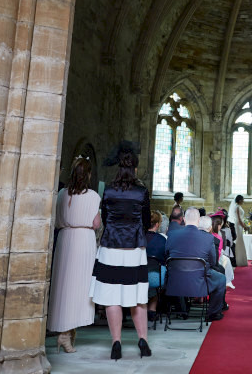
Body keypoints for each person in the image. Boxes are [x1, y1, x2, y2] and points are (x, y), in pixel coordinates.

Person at [90, 141, 152, 361]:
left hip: (111, 247)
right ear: (134, 169)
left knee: (112, 296)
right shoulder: (142, 191)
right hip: (134, 248)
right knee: (137, 296)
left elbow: (106, 219)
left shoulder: (108, 191)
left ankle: (116, 343)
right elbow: (146, 220)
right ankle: (142, 340)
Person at [48, 157, 101, 353]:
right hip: (83, 240)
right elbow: (96, 224)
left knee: (63, 286)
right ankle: (65, 334)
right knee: (78, 287)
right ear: (88, 175)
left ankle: (67, 332)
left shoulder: (61, 194)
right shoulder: (93, 196)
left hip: (65, 239)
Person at [165, 207, 228, 321]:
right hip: (199, 280)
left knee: (176, 272)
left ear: (184, 219)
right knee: (221, 279)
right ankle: (213, 313)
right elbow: (213, 262)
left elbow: (166, 255)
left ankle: (182, 310)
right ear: (199, 220)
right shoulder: (208, 238)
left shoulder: (172, 235)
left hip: (175, 279)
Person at [145, 211, 167, 324]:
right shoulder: (162, 240)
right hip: (156, 278)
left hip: (138, 276)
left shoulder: (139, 237)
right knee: (160, 271)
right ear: (157, 224)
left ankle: (141, 309)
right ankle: (152, 310)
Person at [210, 212, 236, 289]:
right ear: (218, 226)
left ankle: (227, 281)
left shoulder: (207, 234)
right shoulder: (218, 237)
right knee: (225, 261)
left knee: (226, 260)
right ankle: (226, 282)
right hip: (214, 261)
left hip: (207, 260)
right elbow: (218, 253)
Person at [227, 195, 249, 267]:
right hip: (238, 225)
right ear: (239, 200)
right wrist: (244, 226)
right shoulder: (237, 207)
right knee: (239, 241)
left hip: (239, 225)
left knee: (240, 241)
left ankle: (240, 259)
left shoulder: (238, 206)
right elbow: (239, 219)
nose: (243, 201)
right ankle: (239, 260)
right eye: (242, 200)